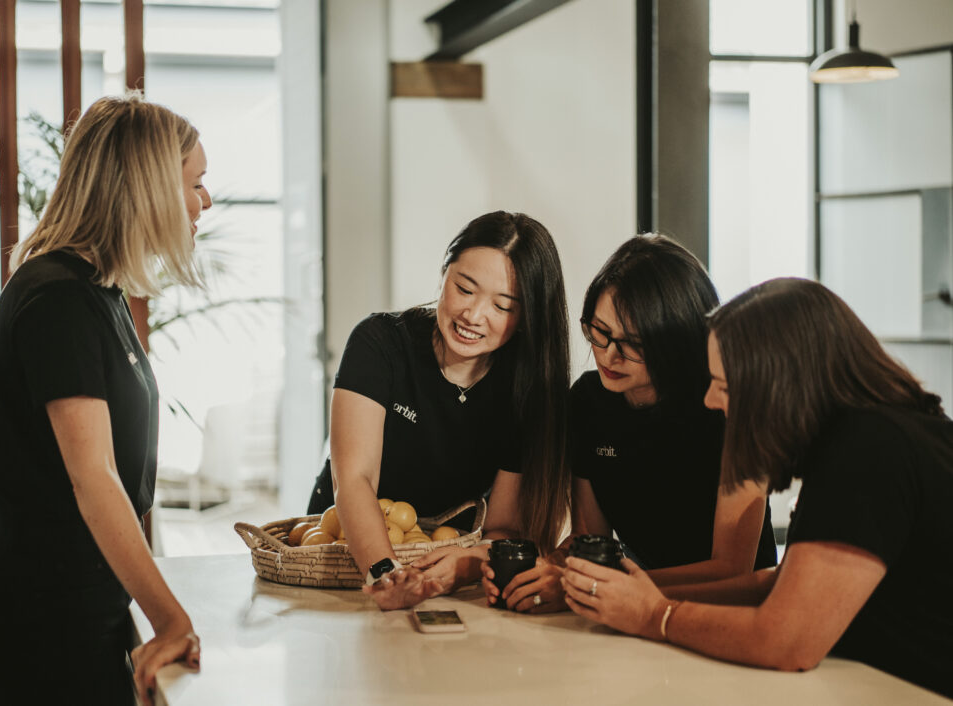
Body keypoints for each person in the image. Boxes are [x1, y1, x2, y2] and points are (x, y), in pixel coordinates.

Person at [562, 277, 953, 699]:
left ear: (786, 386)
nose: (711, 400)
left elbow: (787, 641)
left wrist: (656, 615)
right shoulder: (881, 433)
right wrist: (631, 592)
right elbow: (784, 584)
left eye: (726, 386)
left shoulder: (868, 449)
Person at [0, 95, 211, 705]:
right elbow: (95, 479)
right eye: (196, 183)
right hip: (39, 624)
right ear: (148, 187)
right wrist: (170, 619)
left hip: (81, 610)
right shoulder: (59, 301)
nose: (205, 201)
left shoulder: (96, 290)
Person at [486, 234, 776, 613]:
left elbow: (732, 570)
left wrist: (592, 585)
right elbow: (590, 538)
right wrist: (544, 571)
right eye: (600, 331)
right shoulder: (589, 402)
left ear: (679, 341)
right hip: (644, 609)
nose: (608, 355)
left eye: (633, 344)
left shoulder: (727, 405)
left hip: (739, 613)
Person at [307, 211, 571, 610]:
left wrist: (463, 566)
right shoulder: (379, 343)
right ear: (445, 272)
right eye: (465, 289)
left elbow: (502, 528)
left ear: (527, 318)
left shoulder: (525, 388)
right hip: (347, 549)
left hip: (440, 564)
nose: (473, 315)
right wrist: (385, 572)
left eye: (503, 306)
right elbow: (355, 479)